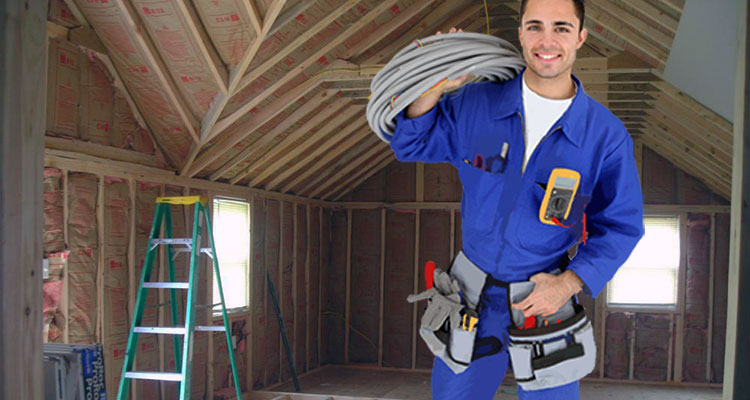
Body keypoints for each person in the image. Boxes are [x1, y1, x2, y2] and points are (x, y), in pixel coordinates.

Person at [388, 0, 645, 398]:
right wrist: (436, 81)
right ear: (521, 33)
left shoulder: (604, 136)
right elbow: (411, 141)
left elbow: (621, 226)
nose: (547, 40)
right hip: (471, 295)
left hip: (544, 297)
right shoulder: (477, 104)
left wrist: (568, 284)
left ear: (580, 37)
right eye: (535, 26)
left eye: (561, 28)